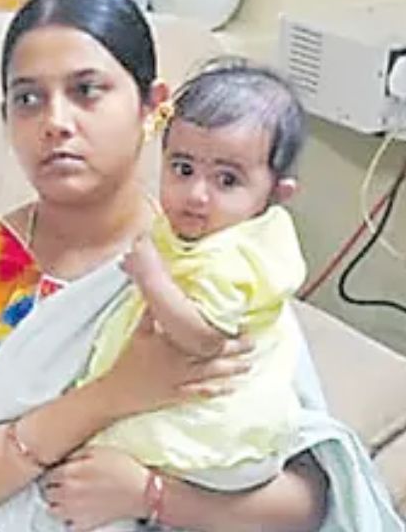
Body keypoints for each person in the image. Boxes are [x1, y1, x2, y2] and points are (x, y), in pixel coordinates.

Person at [0, 0, 333, 531]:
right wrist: (113, 394)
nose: (56, 122)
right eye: (28, 99)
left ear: (152, 108)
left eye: (87, 91)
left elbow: (308, 501)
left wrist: (150, 496)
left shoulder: (211, 257)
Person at [77, 59, 308, 506]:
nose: (197, 195)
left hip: (216, 441)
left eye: (227, 180)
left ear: (276, 194)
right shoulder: (220, 233)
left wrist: (150, 277)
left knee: (94, 457)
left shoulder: (231, 257)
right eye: (183, 169)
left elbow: (203, 340)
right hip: (222, 437)